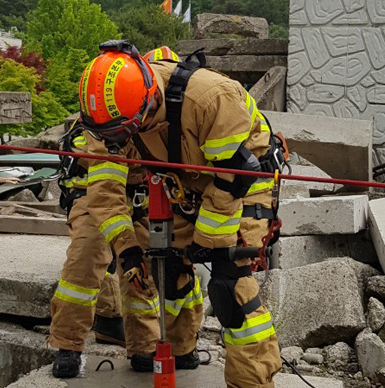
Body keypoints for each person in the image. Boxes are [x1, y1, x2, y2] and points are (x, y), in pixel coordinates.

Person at [77, 40, 283, 387]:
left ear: (150, 100)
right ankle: (181, 349)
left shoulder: (211, 96)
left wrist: (208, 240)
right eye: (110, 136)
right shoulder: (110, 120)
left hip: (245, 180)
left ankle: (251, 382)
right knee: (169, 265)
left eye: (124, 134)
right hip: (187, 183)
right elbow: (106, 194)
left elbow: (234, 177)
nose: (117, 143)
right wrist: (126, 249)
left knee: (229, 285)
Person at [49, 122, 199, 377]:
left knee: (145, 271)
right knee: (85, 260)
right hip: (93, 196)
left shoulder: (162, 116)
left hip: (144, 199)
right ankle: (67, 345)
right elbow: (105, 193)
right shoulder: (102, 122)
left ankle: (144, 346)